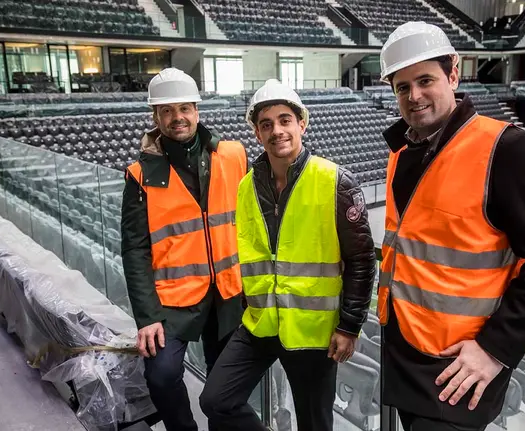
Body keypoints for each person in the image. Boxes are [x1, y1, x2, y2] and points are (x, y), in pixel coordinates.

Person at [377, 22, 525, 431]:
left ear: (453, 73)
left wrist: (495, 349)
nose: (414, 96)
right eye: (402, 86)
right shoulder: (402, 154)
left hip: (461, 363)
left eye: (425, 80)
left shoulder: (505, 149)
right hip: (404, 348)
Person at [199, 79, 376, 431]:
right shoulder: (247, 186)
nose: (276, 131)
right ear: (256, 132)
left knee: (314, 424)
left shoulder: (335, 181)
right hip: (261, 324)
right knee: (215, 400)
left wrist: (350, 325)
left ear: (302, 124)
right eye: (266, 124)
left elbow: (362, 259)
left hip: (313, 333)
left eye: (284, 120)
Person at [121, 67, 247, 431]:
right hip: (173, 302)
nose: (178, 118)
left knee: (222, 384)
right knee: (161, 375)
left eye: (184, 109)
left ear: (197, 110)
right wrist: (147, 318)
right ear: (155, 116)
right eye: (167, 111)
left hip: (227, 293)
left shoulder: (233, 155)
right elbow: (135, 250)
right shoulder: (141, 175)